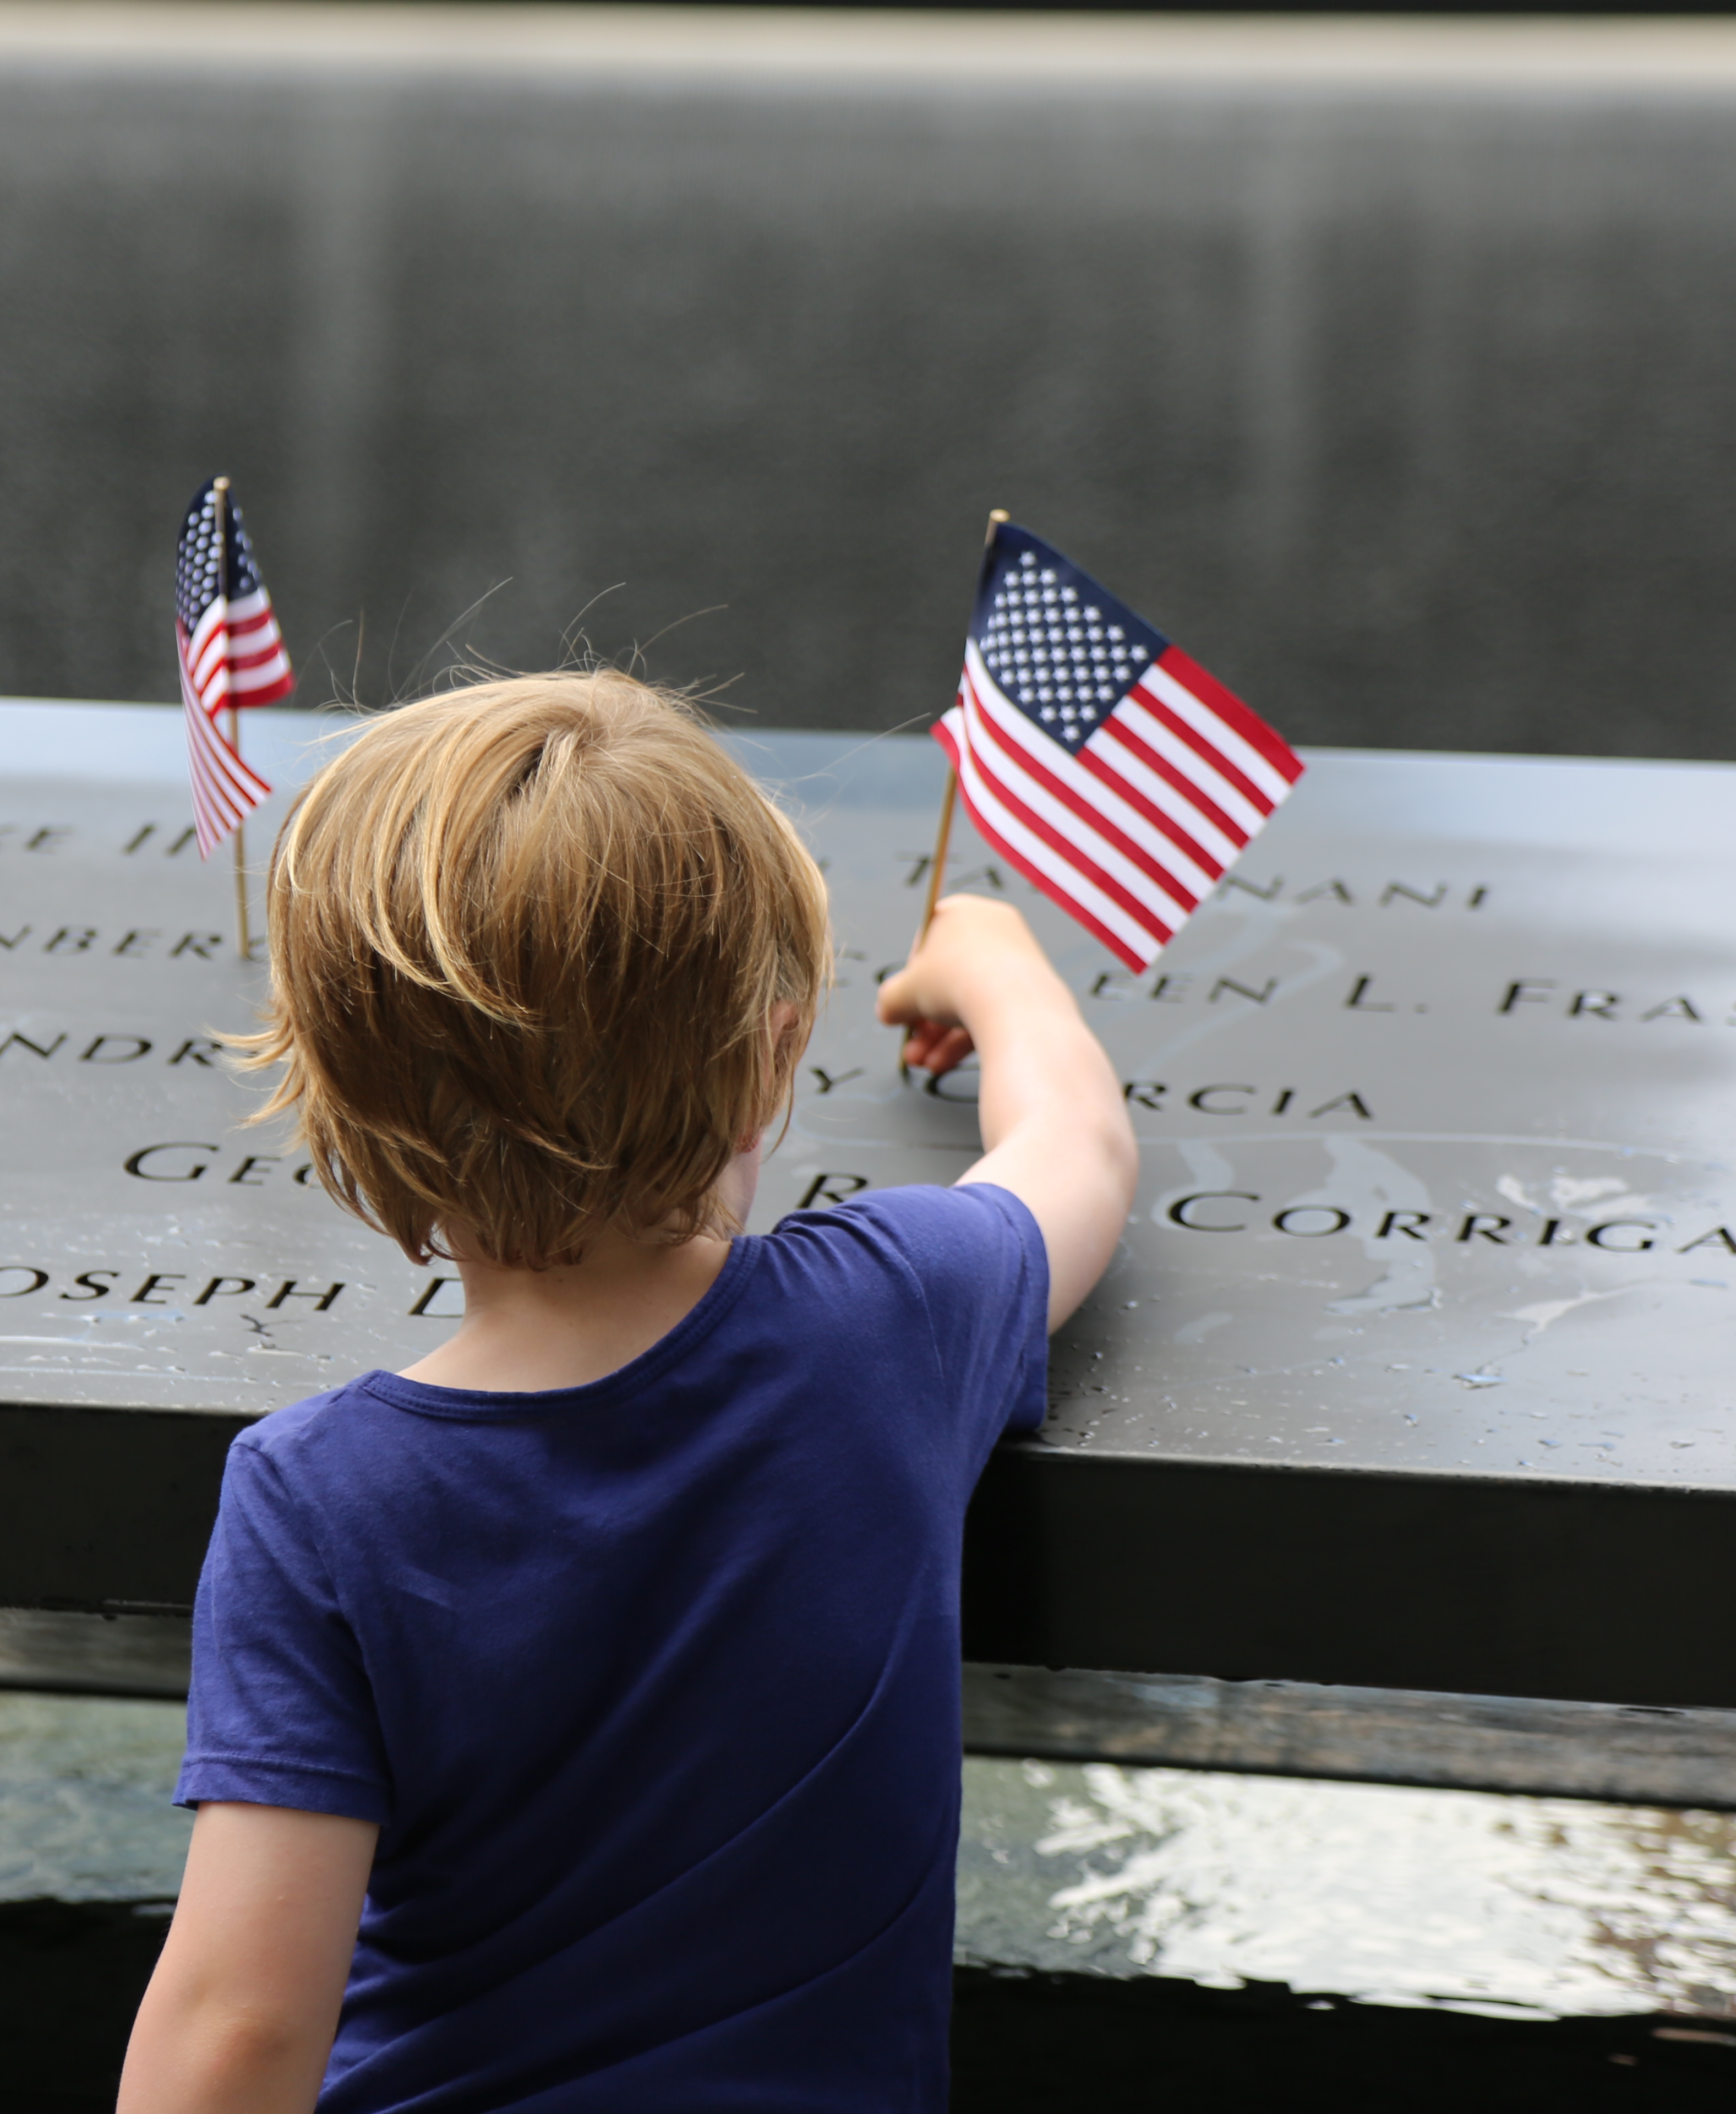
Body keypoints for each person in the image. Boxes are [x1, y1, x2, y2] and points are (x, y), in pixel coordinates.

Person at [117, 671, 1136, 2114]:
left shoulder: (323, 1504)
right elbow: (1079, 1148)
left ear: (342, 1090)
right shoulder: (892, 1321)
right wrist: (992, 957)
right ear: (772, 1056)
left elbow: (235, 2033)